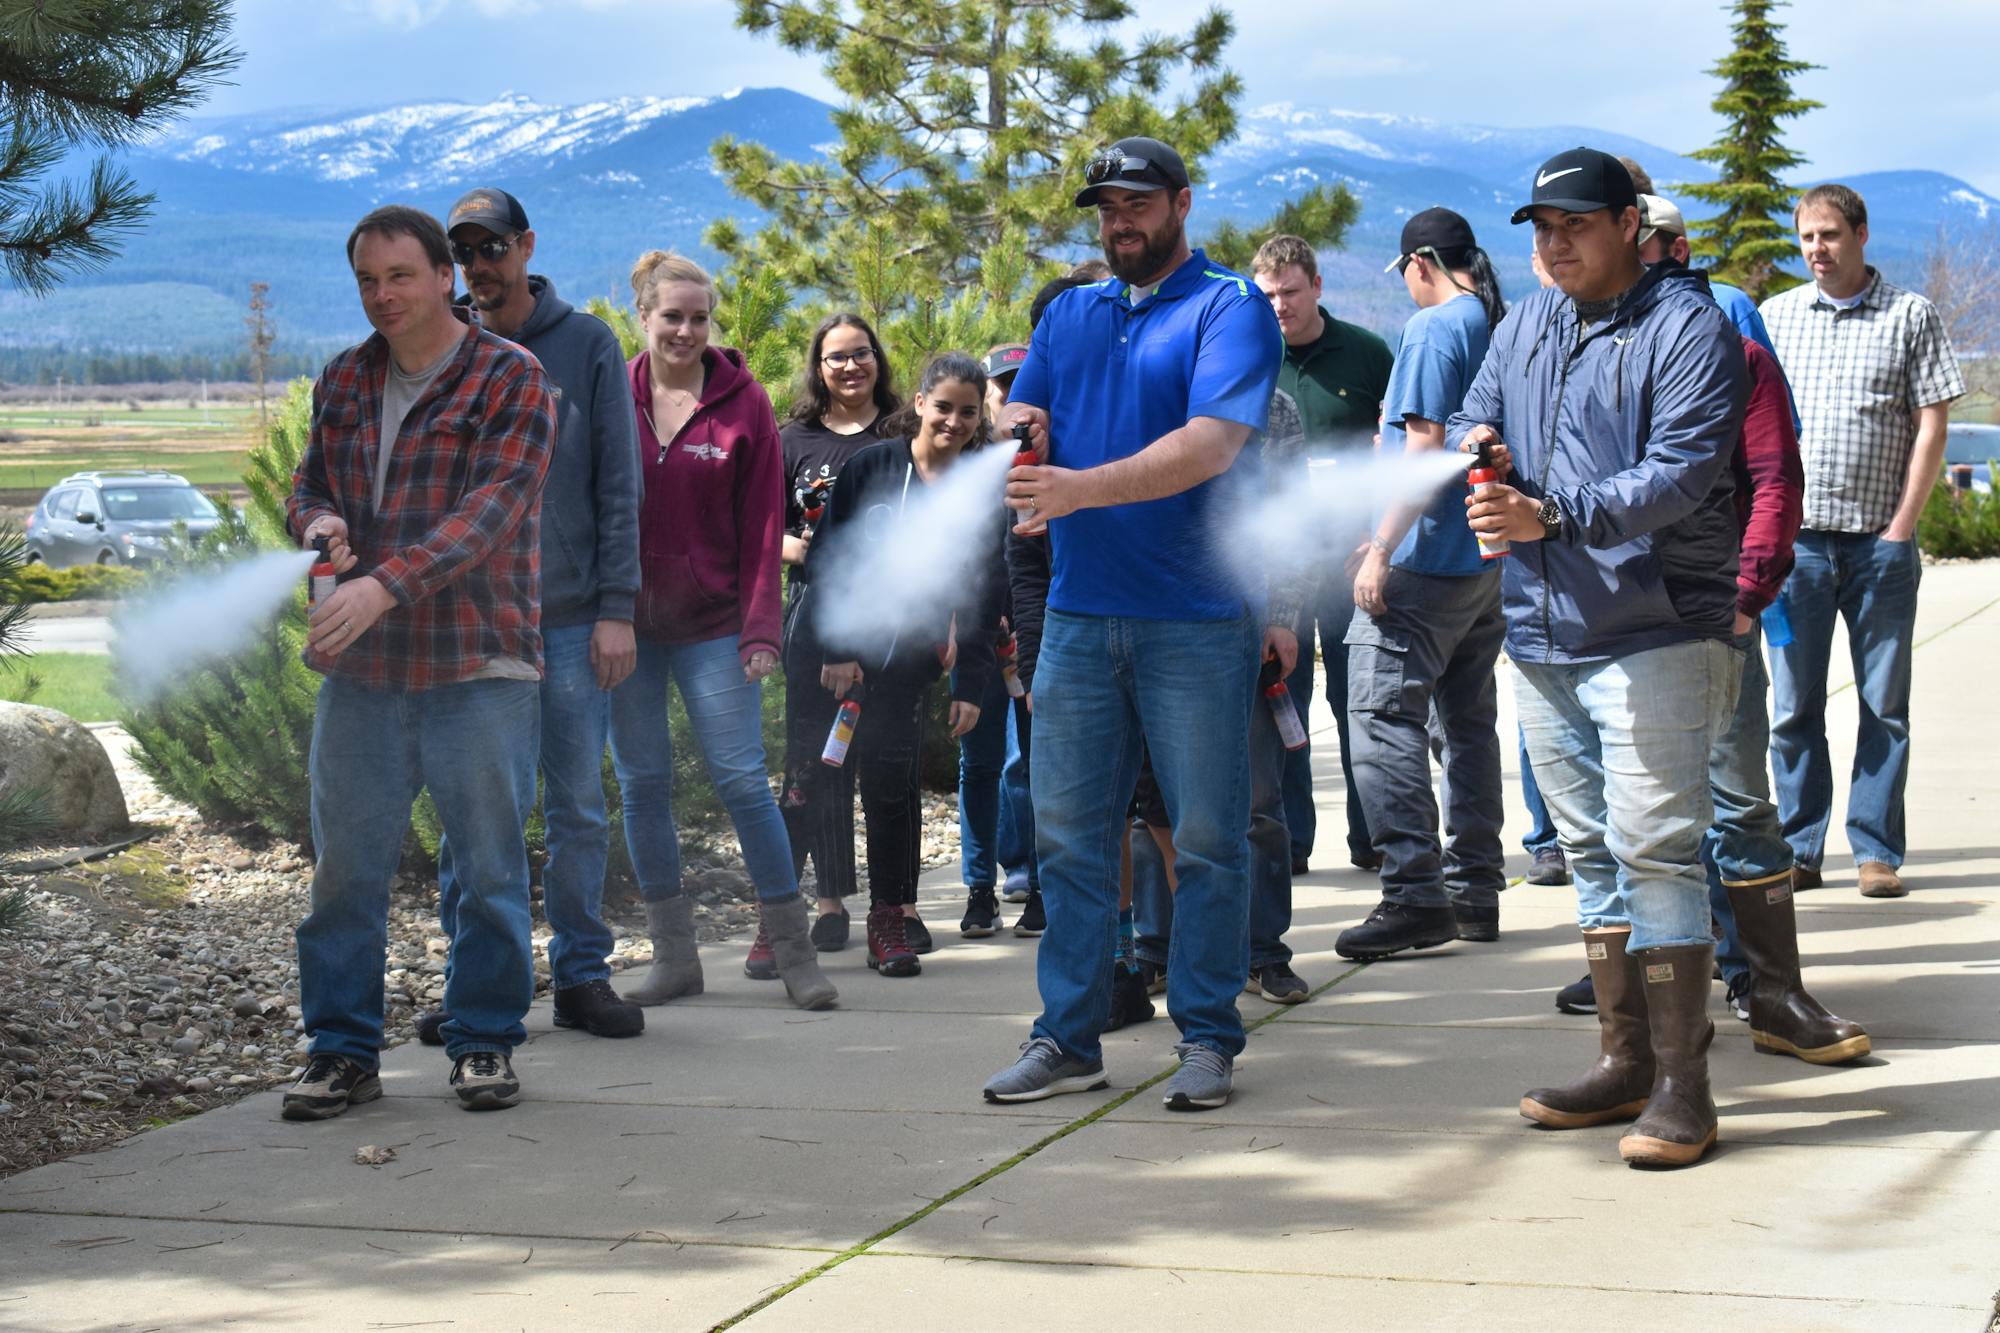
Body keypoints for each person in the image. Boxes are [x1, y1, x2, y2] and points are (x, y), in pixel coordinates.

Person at [1453, 149, 1747, 1169]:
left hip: (1656, 626)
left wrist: (1548, 514)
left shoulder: (1688, 329)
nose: (1552, 242)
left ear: (1629, 222)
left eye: (1574, 223)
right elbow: (1471, 408)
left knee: (1655, 850)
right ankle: (1622, 1060)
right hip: (1542, 632)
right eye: (1539, 226)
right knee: (1586, 855)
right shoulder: (1526, 319)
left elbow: (1678, 472)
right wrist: (1476, 439)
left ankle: (1682, 1086)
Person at [982, 136, 1282, 1110]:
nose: (1119, 220)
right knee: (1069, 837)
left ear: (1180, 204)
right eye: (1105, 205)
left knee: (1204, 839)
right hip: (1076, 618)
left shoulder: (1229, 307)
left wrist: (1073, 489)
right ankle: (1066, 1037)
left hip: (1195, 619)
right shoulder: (1071, 312)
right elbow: (1023, 410)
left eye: (1137, 202)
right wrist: (1017, 436)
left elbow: (1209, 444)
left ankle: (1205, 1038)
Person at [283, 204, 554, 1120]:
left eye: (400, 276)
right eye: (366, 280)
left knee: (486, 868)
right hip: (363, 675)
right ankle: (340, 1049)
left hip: (478, 666)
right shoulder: (346, 378)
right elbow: (309, 480)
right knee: (343, 872)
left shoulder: (510, 379)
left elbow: (490, 514)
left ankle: (481, 1041)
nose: (382, 296)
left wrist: (379, 588)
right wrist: (317, 523)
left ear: (445, 275)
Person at [411, 187, 644, 1047]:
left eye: (492, 250)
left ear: (525, 248)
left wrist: (617, 608)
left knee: (578, 805)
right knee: (475, 811)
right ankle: (475, 980)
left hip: (574, 619)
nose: (479, 269)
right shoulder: (446, 351)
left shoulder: (585, 346)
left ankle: (582, 974)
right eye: (464, 256)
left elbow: (620, 484)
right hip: (471, 624)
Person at [609, 249, 836, 1012]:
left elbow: (764, 528)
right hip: (626, 629)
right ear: (641, 317)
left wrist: (759, 630)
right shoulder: (613, 396)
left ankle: (795, 951)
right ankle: (674, 957)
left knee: (742, 781)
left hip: (713, 627)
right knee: (643, 786)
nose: (685, 330)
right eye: (671, 316)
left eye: (699, 318)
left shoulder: (745, 406)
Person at [1761, 184, 1965, 900]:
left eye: (1830, 235)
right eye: (1807, 236)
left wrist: (1902, 527)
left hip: (1880, 546)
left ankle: (1876, 851)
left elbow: (1932, 424)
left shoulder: (1911, 315)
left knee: (1884, 705)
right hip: (1797, 550)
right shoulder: (1777, 317)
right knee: (1793, 707)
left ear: (1861, 234)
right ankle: (1799, 848)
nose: (1818, 248)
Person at [794, 351, 1005, 976]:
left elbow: (982, 589)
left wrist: (971, 679)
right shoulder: (871, 467)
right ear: (918, 404)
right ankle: (777, 920)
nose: (954, 422)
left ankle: (890, 921)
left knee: (892, 790)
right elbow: (827, 557)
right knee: (811, 782)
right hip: (833, 654)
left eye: (968, 412)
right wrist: (837, 647)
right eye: (942, 407)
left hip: (907, 664)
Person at [1333, 208, 1508, 961]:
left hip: (1425, 561)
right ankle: (1475, 888)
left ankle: (1413, 893)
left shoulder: (1436, 329)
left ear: (1422, 263)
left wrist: (1379, 545)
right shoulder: (1496, 321)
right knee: (1466, 724)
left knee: (1377, 714)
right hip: (1484, 562)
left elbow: (1423, 446)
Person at [1251, 234, 1394, 876]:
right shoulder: (1249, 356)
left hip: (1348, 557)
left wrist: (1378, 535)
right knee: (1284, 698)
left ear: (1317, 288)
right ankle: (1292, 841)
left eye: (1290, 291)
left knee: (1355, 697)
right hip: (1281, 559)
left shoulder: (1366, 354)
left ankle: (1372, 838)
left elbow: (1399, 445)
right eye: (1269, 294)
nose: (1280, 305)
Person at [776, 313, 900, 952]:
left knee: (882, 766)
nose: (851, 367)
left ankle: (894, 909)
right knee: (815, 762)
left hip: (895, 620)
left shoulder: (903, 432)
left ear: (877, 358)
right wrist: (810, 552)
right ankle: (826, 904)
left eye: (861, 354)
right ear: (817, 368)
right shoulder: (792, 439)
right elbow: (763, 527)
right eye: (835, 358)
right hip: (815, 617)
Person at [955, 341, 1034, 938]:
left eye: (1021, 382)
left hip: (1033, 635)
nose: (1011, 395)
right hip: (978, 637)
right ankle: (979, 889)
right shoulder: (967, 463)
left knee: (1030, 763)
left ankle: (1039, 884)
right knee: (979, 764)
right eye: (1000, 387)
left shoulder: (1050, 457)